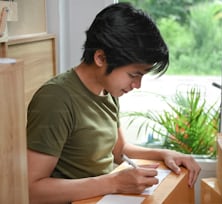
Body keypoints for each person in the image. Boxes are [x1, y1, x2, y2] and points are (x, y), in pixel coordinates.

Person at [26, 2, 201, 204]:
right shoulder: (55, 99)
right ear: (101, 57)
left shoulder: (107, 91)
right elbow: (32, 190)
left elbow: (119, 150)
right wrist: (113, 183)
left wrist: (165, 153)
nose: (137, 85)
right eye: (134, 74)